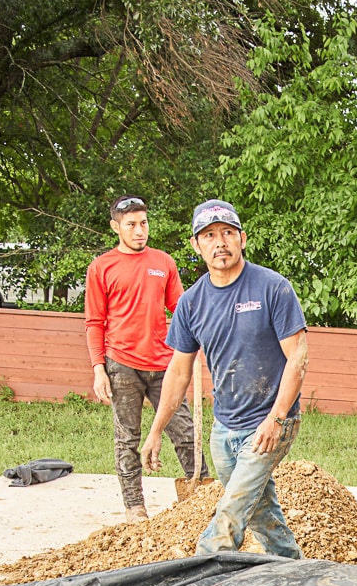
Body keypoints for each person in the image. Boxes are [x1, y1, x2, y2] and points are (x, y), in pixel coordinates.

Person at [141, 200, 307, 557]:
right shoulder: (191, 303)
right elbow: (179, 371)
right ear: (196, 245)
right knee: (260, 510)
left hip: (270, 422)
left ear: (242, 239)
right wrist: (156, 431)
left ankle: (199, 572)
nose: (220, 242)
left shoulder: (272, 288)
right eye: (210, 235)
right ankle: (292, 567)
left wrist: (276, 419)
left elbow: (298, 357)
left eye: (228, 233)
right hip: (224, 429)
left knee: (230, 513)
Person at [85, 194, 202, 521]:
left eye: (144, 223)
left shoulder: (163, 262)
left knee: (184, 431)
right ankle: (135, 507)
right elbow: (95, 322)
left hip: (164, 364)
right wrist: (99, 369)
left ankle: (205, 494)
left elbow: (178, 307)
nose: (140, 230)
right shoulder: (101, 267)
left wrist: (199, 330)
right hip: (121, 365)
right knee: (128, 437)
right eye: (132, 225)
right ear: (116, 227)